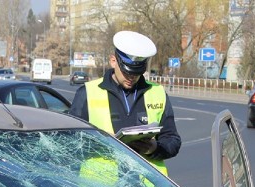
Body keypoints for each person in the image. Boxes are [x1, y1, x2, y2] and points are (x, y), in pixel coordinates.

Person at [69, 31, 181, 175]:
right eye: (127, 72)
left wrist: (155, 148)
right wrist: (104, 141)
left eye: (136, 73)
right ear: (113, 61)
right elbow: (71, 139)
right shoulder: (87, 92)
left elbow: (172, 140)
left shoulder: (157, 93)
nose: (132, 78)